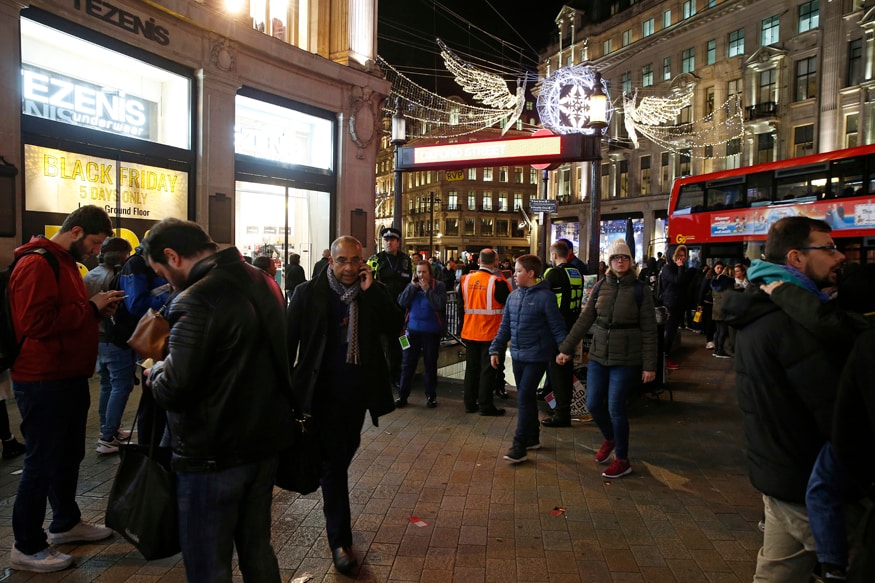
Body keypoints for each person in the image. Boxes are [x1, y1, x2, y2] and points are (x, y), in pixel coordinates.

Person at [143, 218, 293, 582]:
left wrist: (153, 372)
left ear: (172, 256)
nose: (165, 280)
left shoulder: (196, 298)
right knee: (257, 550)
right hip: (262, 444)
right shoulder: (264, 281)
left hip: (211, 455)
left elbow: (175, 389)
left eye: (161, 271)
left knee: (209, 564)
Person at [722, 216, 847, 582]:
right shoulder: (793, 320)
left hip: (779, 472)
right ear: (796, 258)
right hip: (807, 481)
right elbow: (832, 410)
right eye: (827, 248)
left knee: (778, 574)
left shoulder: (766, 306)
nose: (838, 256)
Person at [8, 205, 123, 573]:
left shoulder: (66, 264)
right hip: (43, 378)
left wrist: (94, 310)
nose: (95, 250)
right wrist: (90, 308)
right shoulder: (39, 263)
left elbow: (64, 313)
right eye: (93, 242)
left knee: (67, 454)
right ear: (75, 232)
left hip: (67, 375)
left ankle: (65, 523)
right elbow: (35, 323)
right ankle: (27, 546)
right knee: (41, 462)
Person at [287, 236, 402, 576]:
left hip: (356, 395)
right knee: (334, 465)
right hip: (319, 395)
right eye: (343, 261)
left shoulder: (369, 294)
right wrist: (284, 391)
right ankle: (340, 541)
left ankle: (326, 484)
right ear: (330, 261)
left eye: (356, 261)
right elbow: (286, 342)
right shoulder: (308, 294)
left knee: (342, 454)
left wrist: (374, 292)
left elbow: (396, 326)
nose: (350, 268)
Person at [556, 239, 658, 479]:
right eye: (615, 258)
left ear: (630, 262)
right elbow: (585, 319)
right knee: (592, 404)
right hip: (599, 356)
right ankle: (610, 439)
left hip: (626, 357)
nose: (620, 261)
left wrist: (649, 365)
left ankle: (622, 459)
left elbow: (650, 330)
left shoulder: (641, 290)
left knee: (616, 407)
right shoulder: (601, 286)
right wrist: (566, 348)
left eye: (624, 258)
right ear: (609, 262)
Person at [489, 255, 567, 463]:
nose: (514, 275)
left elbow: (557, 327)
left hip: (538, 356)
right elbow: (505, 326)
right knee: (527, 397)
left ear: (531, 273)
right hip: (518, 354)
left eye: (518, 271)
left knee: (524, 396)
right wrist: (495, 349)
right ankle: (532, 437)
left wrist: (564, 350)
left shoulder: (545, 297)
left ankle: (519, 444)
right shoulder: (513, 297)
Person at [83, 237, 136, 455]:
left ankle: (108, 430)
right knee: (121, 386)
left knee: (107, 385)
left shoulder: (89, 275)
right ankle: (107, 437)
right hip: (114, 339)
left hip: (97, 339)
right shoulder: (115, 277)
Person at [117, 246, 172, 448]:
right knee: (152, 401)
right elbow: (136, 304)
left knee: (157, 401)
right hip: (151, 342)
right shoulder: (137, 264)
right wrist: (172, 297)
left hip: (160, 341)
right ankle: (150, 451)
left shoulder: (149, 263)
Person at [460, 248, 511, 416]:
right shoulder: (498, 282)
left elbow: (462, 305)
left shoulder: (466, 280)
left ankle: (469, 403)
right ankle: (486, 405)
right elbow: (509, 300)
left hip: (470, 332)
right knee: (488, 371)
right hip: (490, 334)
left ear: (479, 260)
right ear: (495, 262)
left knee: (471, 369)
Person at [541, 240, 584, 427]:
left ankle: (561, 413)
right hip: (572, 326)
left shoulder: (553, 273)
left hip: (555, 327)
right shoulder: (576, 272)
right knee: (565, 368)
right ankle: (561, 408)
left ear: (554, 255)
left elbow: (541, 294)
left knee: (556, 369)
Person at [395, 261, 447, 409]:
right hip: (411, 332)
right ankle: (403, 395)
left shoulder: (439, 286)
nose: (421, 275)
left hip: (431, 332)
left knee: (430, 364)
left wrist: (427, 291)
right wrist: (412, 287)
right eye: (418, 272)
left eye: (424, 272)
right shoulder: (412, 285)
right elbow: (401, 302)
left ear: (430, 273)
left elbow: (440, 304)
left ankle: (431, 396)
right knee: (407, 364)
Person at [367, 227, 413, 390]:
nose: (389, 242)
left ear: (398, 242)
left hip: (399, 312)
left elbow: (411, 285)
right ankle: (379, 378)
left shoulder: (407, 261)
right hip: (380, 311)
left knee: (397, 346)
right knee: (378, 346)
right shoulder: (375, 260)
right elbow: (367, 284)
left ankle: (395, 376)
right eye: (386, 240)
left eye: (392, 240)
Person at [659, 245, 690, 370]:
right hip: (670, 304)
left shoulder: (679, 268)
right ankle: (664, 358)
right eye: (679, 256)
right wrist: (681, 267)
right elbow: (678, 281)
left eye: (683, 256)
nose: (681, 258)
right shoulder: (668, 269)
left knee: (672, 333)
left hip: (678, 304)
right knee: (669, 333)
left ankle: (666, 357)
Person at [709, 262, 733, 358]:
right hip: (723, 309)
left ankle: (716, 349)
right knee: (722, 330)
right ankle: (720, 350)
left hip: (715, 308)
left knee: (718, 330)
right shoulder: (728, 283)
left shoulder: (715, 281)